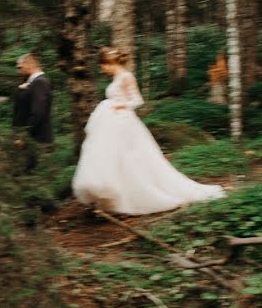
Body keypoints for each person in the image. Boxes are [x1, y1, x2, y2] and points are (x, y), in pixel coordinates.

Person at [72, 47, 226, 215]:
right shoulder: (116, 77)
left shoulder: (126, 76)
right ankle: (115, 196)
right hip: (113, 122)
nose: (102, 69)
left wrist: (122, 105)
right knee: (114, 158)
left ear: (108, 63)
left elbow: (138, 100)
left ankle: (138, 194)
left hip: (123, 121)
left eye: (102, 65)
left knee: (131, 158)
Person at [13, 53, 53, 171]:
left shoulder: (40, 82)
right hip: (33, 138)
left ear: (30, 64)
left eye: (20, 67)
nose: (18, 71)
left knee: (36, 175)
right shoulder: (33, 83)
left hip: (37, 138)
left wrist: (25, 136)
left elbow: (38, 112)